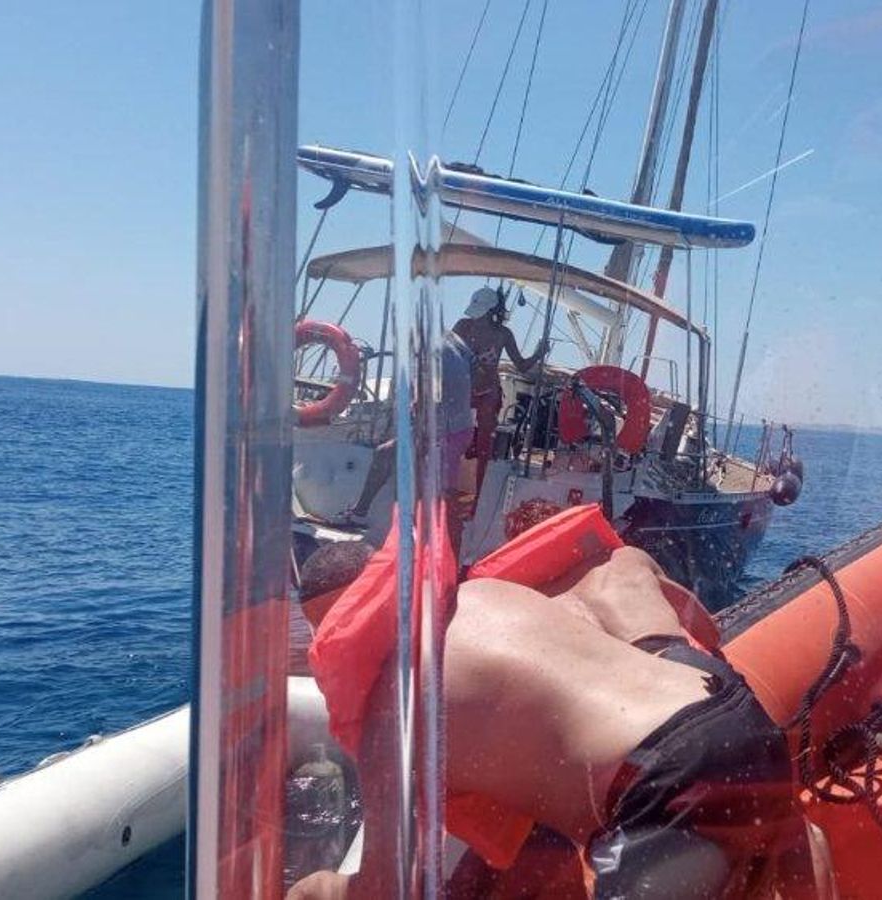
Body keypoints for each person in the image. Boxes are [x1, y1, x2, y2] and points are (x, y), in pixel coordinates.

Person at [290, 516, 819, 899]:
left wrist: (322, 887)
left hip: (662, 782)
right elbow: (703, 629)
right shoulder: (491, 595)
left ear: (333, 630)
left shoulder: (390, 710)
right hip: (737, 715)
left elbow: (386, 886)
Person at [340, 330, 475, 553]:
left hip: (443, 432)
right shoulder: (453, 341)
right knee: (439, 492)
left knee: (386, 454)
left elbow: (424, 400)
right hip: (459, 429)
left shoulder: (430, 353)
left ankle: (360, 514)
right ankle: (440, 545)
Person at [452, 286, 547, 493]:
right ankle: (444, 486)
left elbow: (520, 365)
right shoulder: (462, 326)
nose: (477, 318)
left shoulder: (503, 334)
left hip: (489, 390)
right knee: (448, 433)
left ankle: (479, 495)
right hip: (463, 388)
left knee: (486, 443)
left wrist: (539, 353)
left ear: (492, 310)